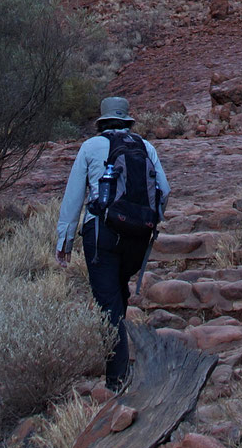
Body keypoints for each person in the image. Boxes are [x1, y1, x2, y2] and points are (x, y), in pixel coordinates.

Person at [56, 96, 170, 390]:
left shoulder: (90, 147)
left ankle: (116, 382)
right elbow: (164, 190)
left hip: (101, 236)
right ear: (127, 121)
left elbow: (73, 198)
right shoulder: (145, 146)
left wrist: (65, 240)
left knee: (108, 307)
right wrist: (148, 219)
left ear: (103, 121)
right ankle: (128, 364)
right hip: (137, 236)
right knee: (116, 296)